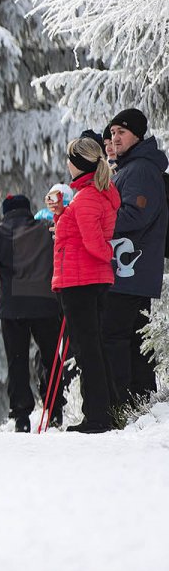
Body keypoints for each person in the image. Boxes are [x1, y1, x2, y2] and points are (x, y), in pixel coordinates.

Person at [0, 194, 64, 432]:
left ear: (6, 211)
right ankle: (54, 410)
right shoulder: (44, 228)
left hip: (14, 308)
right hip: (46, 304)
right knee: (51, 357)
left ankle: (21, 416)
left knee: (18, 361)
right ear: (27, 209)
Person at [47, 136, 120, 433]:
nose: (66, 163)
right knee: (94, 346)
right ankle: (107, 410)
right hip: (85, 279)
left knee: (88, 348)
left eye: (68, 158)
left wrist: (108, 256)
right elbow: (84, 234)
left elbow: (94, 242)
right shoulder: (87, 195)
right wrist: (62, 215)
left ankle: (98, 417)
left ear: (77, 163)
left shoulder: (88, 197)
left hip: (81, 282)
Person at [104, 108, 168, 407]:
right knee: (131, 340)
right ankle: (137, 404)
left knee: (116, 338)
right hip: (128, 272)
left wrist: (95, 220)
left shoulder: (140, 169)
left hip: (130, 271)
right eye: (113, 132)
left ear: (138, 136)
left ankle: (124, 405)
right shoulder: (130, 167)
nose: (115, 138)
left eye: (122, 132)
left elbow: (135, 213)